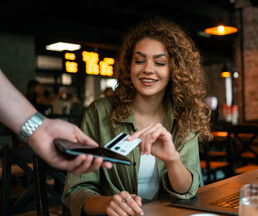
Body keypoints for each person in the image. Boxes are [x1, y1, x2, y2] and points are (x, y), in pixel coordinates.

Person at [62, 17, 212, 216]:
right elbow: (76, 191)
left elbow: (187, 190)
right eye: (139, 60)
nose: (147, 69)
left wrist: (172, 160)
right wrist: (107, 204)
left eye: (159, 62)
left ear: (174, 70)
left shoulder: (183, 115)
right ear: (129, 66)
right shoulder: (98, 113)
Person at [0, 69, 112, 175]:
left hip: (28, 135)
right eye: (39, 86)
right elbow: (51, 103)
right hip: (25, 142)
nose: (41, 87)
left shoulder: (31, 97)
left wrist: (41, 129)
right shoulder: (38, 97)